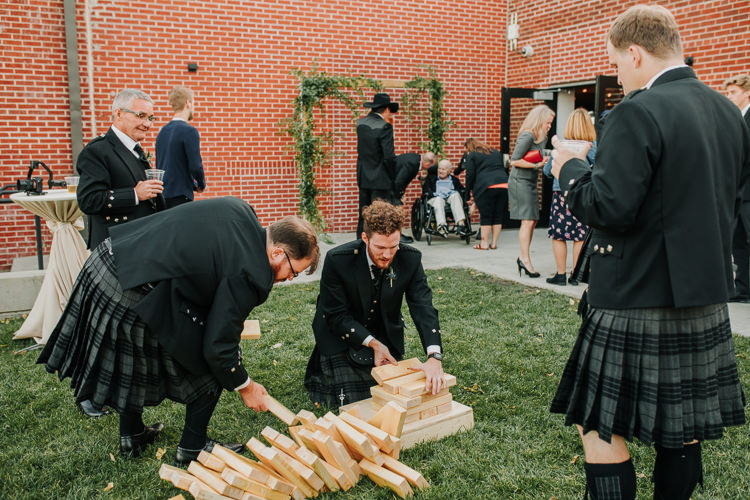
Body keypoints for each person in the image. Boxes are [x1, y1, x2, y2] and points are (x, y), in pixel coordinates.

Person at [549, 5, 748, 499]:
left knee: (599, 426)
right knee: (682, 427)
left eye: (616, 62)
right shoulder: (728, 112)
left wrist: (568, 170)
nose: (617, 72)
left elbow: (608, 207)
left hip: (634, 293)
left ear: (635, 53)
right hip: (704, 296)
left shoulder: (637, 111)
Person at [38, 197, 320, 463]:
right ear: (278, 252)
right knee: (215, 364)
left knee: (132, 359)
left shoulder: (241, 211)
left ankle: (133, 434)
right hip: (127, 286)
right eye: (293, 271)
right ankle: (192, 447)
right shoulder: (252, 273)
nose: (289, 279)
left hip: (108, 258)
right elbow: (218, 348)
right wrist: (244, 385)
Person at [75, 88, 166, 417]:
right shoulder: (97, 152)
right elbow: (89, 201)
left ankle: (116, 387)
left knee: (122, 326)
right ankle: (88, 396)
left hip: (137, 248)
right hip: (111, 252)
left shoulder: (138, 152)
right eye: (140, 115)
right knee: (104, 326)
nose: (147, 123)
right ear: (118, 115)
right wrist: (135, 193)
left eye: (150, 117)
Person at [304, 200, 446, 407]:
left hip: (384, 332)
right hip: (342, 335)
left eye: (393, 247)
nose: (387, 255)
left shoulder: (410, 259)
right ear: (364, 238)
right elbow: (335, 314)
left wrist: (435, 357)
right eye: (380, 247)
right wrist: (373, 343)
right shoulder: (338, 260)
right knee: (354, 401)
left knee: (390, 394)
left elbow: (423, 306)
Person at [542, 108, 595, 286]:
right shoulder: (593, 146)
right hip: (584, 192)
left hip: (561, 193)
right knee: (580, 234)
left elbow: (547, 171)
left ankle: (560, 274)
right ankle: (576, 274)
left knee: (559, 234)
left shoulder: (562, 146)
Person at [355, 93, 412, 244]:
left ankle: (360, 242)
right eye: (390, 111)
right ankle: (382, 242)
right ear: (386, 109)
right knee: (382, 214)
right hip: (380, 178)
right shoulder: (385, 126)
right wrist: (393, 175)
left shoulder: (360, 124)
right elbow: (388, 157)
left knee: (364, 211)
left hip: (363, 176)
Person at [508, 105, 555, 276]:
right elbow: (513, 161)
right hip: (520, 182)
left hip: (530, 181)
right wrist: (537, 165)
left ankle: (524, 258)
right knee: (527, 221)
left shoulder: (540, 138)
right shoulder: (527, 136)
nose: (549, 126)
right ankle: (524, 259)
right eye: (548, 123)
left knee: (533, 221)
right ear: (539, 120)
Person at [155, 86, 207, 209]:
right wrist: (201, 184)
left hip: (163, 196)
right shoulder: (189, 131)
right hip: (181, 196)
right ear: (188, 103)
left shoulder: (162, 131)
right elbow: (195, 166)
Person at [724, 74, 750, 302]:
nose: (729, 96)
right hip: (738, 192)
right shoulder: (736, 117)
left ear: (747, 92)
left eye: (733, 92)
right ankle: (742, 288)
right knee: (738, 242)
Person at [464, 138, 508, 250]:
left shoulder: (472, 155)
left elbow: (470, 175)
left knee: (486, 215)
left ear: (469, 148)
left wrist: (467, 193)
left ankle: (483, 244)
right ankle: (493, 243)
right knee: (498, 215)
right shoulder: (495, 152)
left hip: (487, 185)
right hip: (504, 184)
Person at [422, 159, 467, 237]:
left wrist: (453, 193)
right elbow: (426, 191)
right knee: (439, 199)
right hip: (436, 199)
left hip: (450, 199)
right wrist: (437, 194)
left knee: (455, 195)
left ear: (449, 171)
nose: (440, 171)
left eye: (443, 169)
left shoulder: (454, 180)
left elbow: (461, 191)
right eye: (439, 168)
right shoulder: (431, 178)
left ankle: (461, 224)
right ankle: (442, 226)